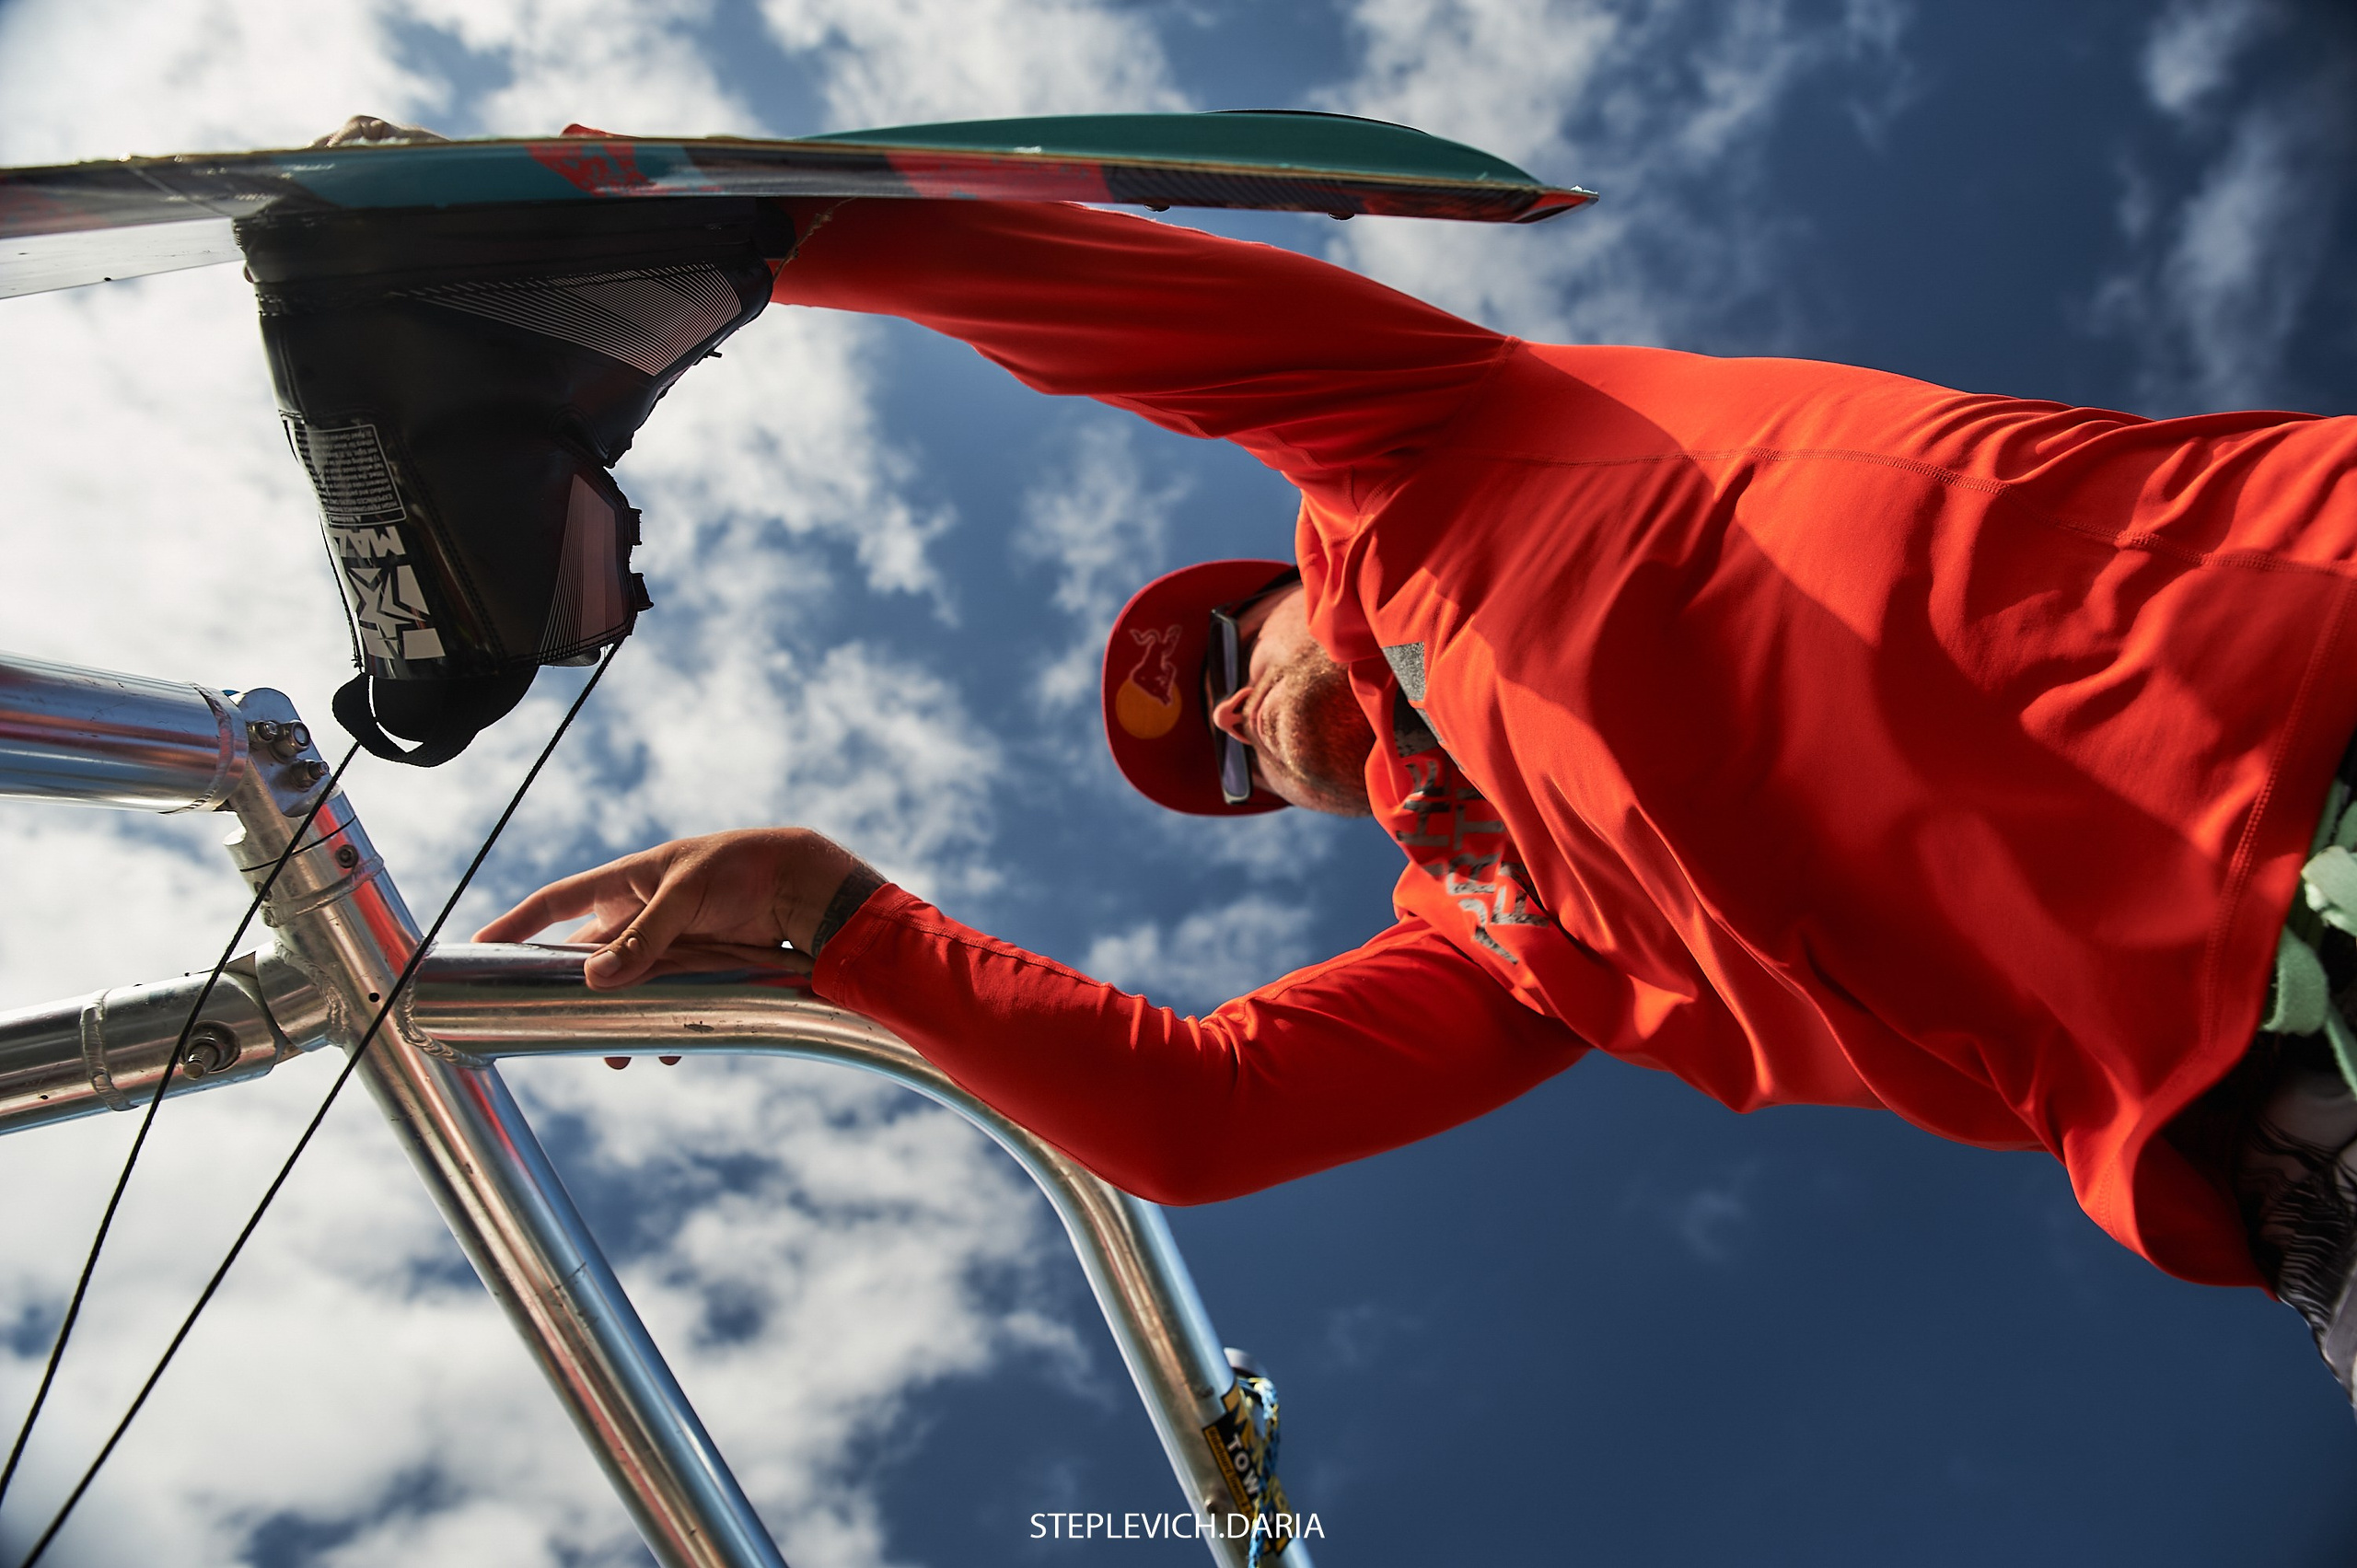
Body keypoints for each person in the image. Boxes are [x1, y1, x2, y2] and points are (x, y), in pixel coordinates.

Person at [472, 181, 2357, 1402]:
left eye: (1220, 656)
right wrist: (844, 921)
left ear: (1282, 572)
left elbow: (1075, 295)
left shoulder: (1426, 440)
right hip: (2294, 1171)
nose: (1229, 721)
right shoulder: (1507, 941)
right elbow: (1194, 1118)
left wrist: (728, 239)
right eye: (1214, 759)